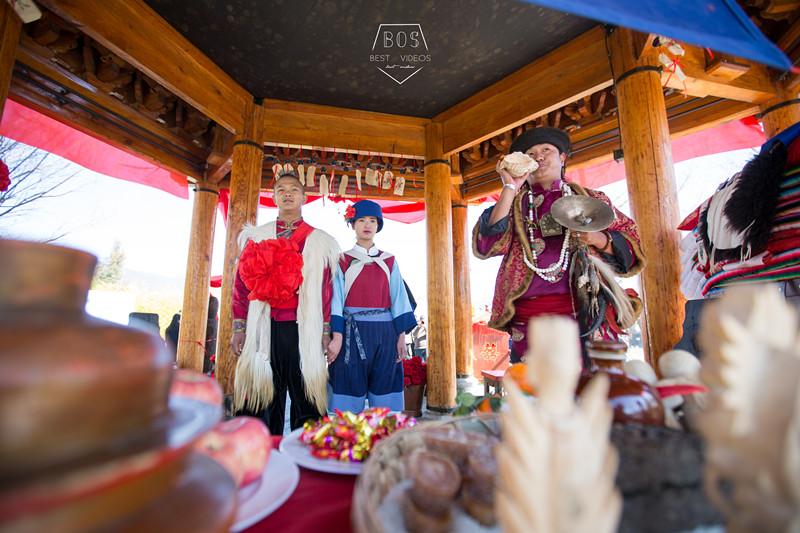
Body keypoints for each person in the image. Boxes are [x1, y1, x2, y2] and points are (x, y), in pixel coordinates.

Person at [473, 127, 645, 363]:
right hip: (530, 316)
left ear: (562, 157)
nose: (539, 157)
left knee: (594, 390)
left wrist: (598, 239)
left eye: (546, 150)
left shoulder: (593, 199)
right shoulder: (513, 204)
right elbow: (486, 245)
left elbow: (633, 248)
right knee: (540, 391)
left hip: (587, 310)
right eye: (531, 154)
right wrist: (510, 186)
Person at [231, 171, 340, 435]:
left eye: (293, 189)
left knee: (307, 398)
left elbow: (327, 292)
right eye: (281, 189)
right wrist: (239, 328)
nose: (287, 193)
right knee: (262, 397)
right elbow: (241, 285)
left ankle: (309, 458)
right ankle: (263, 454)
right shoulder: (256, 236)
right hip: (263, 327)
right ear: (274, 197)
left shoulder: (320, 241)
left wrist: (327, 332)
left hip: (304, 330)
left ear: (304, 197)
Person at [327, 200, 417, 412]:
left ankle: (384, 441)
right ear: (352, 224)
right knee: (347, 389)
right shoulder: (341, 260)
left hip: (386, 335)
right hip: (351, 334)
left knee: (385, 390)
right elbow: (336, 301)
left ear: (378, 225)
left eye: (372, 221)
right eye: (361, 220)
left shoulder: (389, 261)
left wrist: (401, 336)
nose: (367, 225)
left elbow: (399, 299)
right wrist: (337, 337)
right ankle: (347, 439)